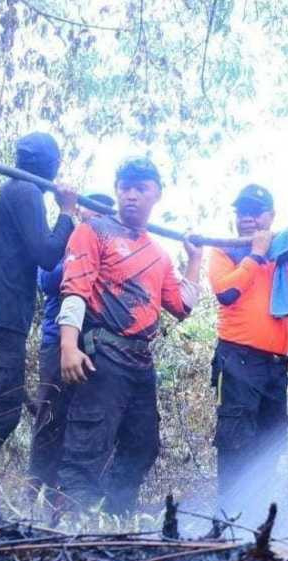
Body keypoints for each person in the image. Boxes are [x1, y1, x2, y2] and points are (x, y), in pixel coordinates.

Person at [56, 157, 202, 515]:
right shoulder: (93, 231)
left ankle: (114, 519)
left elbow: (181, 306)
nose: (132, 195)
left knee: (143, 444)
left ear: (157, 195)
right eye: (126, 188)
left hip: (140, 363)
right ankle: (74, 524)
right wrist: (68, 345)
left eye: (142, 189)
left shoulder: (159, 254)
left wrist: (195, 261)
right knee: (88, 446)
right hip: (102, 355)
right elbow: (75, 288)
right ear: (117, 191)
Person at [0, 132, 77, 500]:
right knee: (2, 407)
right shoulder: (24, 191)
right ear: (51, 165)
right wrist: (67, 213)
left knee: (0, 403)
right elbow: (46, 253)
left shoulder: (7, 195)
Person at [206, 184, 288, 511]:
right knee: (236, 437)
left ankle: (259, 513)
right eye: (241, 212)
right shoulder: (224, 250)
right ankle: (229, 513)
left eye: (254, 212)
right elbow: (226, 292)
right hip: (237, 358)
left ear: (270, 216)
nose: (246, 218)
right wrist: (255, 255)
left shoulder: (281, 254)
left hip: (276, 363)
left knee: (272, 438)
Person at [29, 193, 114, 495]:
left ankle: (69, 495)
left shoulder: (113, 246)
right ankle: (36, 491)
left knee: (86, 421)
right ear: (79, 212)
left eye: (99, 215)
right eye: (87, 213)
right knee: (50, 416)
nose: (92, 219)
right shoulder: (67, 239)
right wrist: (81, 258)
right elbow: (48, 280)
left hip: (96, 346)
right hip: (58, 343)